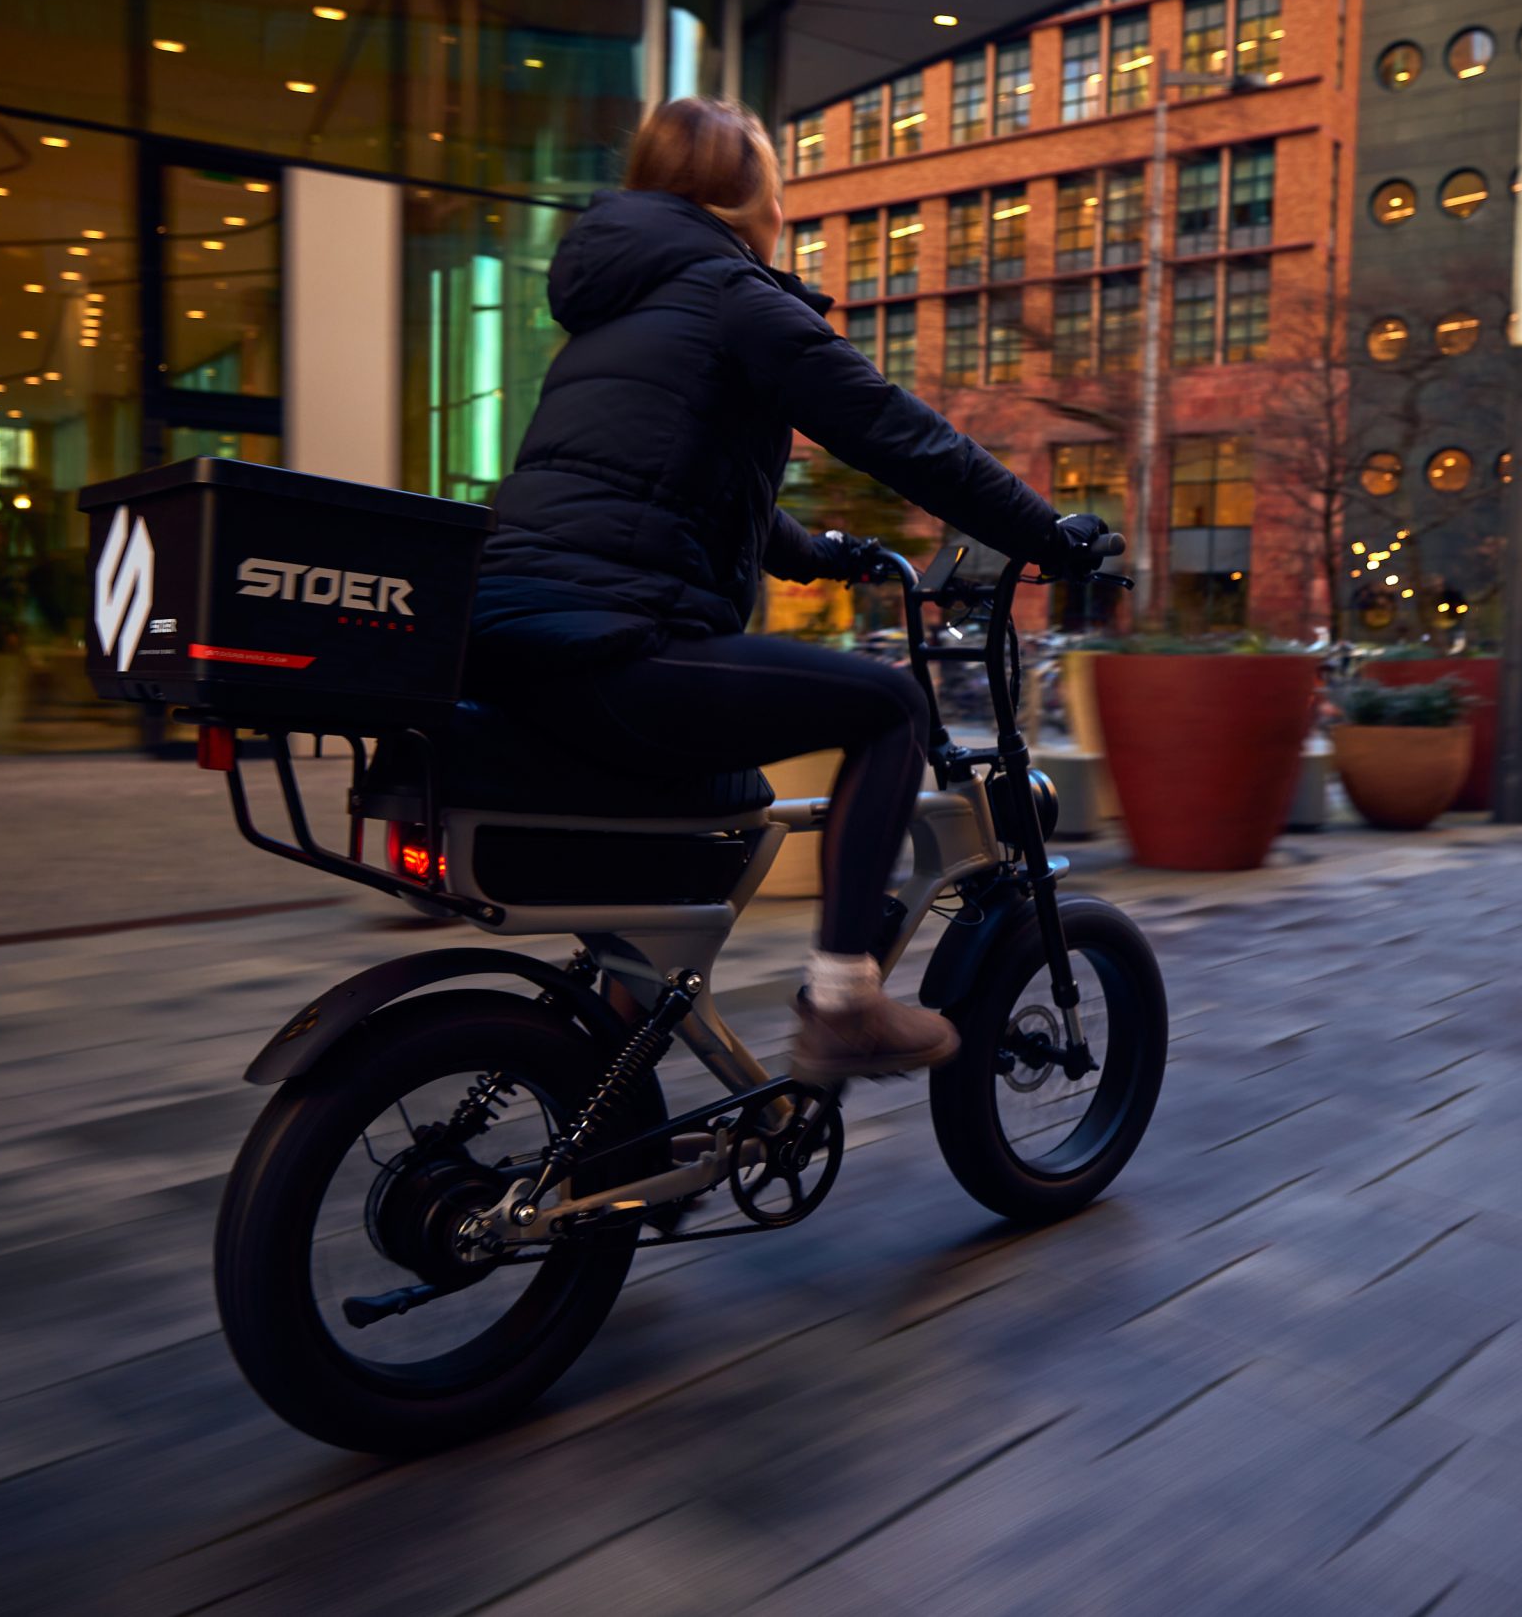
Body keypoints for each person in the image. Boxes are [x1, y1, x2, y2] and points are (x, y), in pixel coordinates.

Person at [468, 97, 1098, 1082]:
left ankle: (612, 1092)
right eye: (777, 178)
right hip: (614, 644)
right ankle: (845, 1002)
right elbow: (899, 434)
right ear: (748, 191)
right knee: (890, 706)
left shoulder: (613, 318)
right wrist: (1047, 536)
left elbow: (663, 480)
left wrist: (818, 553)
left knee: (728, 811)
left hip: (520, 647)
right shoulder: (731, 294)